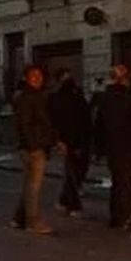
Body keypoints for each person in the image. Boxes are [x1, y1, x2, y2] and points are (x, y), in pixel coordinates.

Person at [93, 64, 131, 234]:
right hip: (129, 146)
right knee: (126, 181)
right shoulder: (130, 98)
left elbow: (98, 124)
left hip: (113, 146)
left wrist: (99, 148)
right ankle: (123, 215)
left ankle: (117, 215)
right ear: (124, 79)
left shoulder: (104, 98)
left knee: (118, 181)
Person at [12, 64, 57, 234]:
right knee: (34, 186)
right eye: (33, 76)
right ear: (26, 78)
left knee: (29, 184)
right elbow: (25, 124)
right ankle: (33, 221)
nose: (37, 79)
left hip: (36, 144)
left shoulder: (35, 96)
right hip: (33, 146)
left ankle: (19, 218)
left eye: (39, 75)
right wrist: (33, 145)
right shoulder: (27, 97)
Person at [47, 69, 91, 217]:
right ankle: (73, 205)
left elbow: (85, 118)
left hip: (78, 139)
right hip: (68, 140)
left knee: (75, 171)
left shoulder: (76, 96)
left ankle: (65, 200)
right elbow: (52, 121)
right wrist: (57, 140)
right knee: (73, 172)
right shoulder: (55, 98)